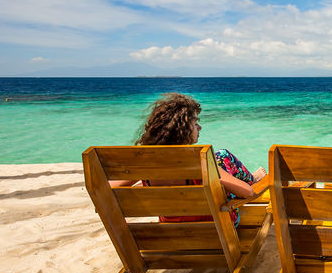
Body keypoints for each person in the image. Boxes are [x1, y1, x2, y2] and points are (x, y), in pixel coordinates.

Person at [110, 93, 265, 223]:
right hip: (213, 228)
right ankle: (252, 178)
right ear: (182, 129)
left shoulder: (144, 164)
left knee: (219, 160)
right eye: (195, 123)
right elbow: (247, 193)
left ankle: (249, 177)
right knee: (223, 156)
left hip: (170, 230)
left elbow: (109, 189)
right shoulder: (198, 161)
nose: (199, 127)